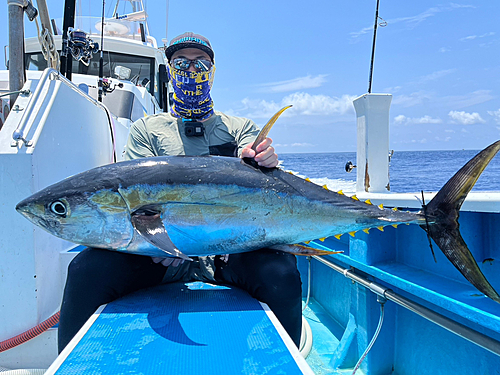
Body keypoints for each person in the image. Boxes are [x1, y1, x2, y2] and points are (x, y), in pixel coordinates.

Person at [57, 32, 302, 353]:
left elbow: (262, 191)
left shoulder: (240, 128)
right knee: (86, 270)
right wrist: (156, 244)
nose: (191, 70)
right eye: (181, 63)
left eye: (200, 63)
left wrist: (264, 162)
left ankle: (282, 361)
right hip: (159, 256)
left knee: (280, 273)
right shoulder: (147, 129)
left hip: (228, 254)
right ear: (169, 70)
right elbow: (137, 200)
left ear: (212, 71)